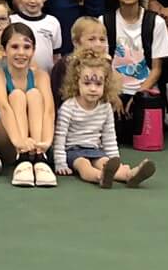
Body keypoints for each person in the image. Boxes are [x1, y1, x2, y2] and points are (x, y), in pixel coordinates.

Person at [51, 46, 156, 187]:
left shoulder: (105, 106)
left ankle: (130, 175)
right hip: (73, 151)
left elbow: (109, 135)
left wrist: (115, 159)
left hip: (95, 149)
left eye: (98, 84)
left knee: (103, 162)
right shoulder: (69, 107)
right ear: (77, 83)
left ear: (105, 85)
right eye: (87, 83)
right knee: (84, 165)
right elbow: (60, 136)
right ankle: (100, 176)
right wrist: (60, 162)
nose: (93, 88)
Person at [0, 21, 56, 186]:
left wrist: (45, 143)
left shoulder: (41, 76)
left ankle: (40, 160)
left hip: (35, 140)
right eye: (15, 47)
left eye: (26, 47)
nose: (21, 53)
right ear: (4, 50)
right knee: (17, 95)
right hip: (8, 139)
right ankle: (23, 157)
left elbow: (49, 111)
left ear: (33, 50)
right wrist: (20, 142)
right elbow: (4, 108)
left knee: (34, 94)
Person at [101, 0, 168, 140]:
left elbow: (156, 69)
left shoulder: (156, 22)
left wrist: (139, 95)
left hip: (145, 90)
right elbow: (102, 66)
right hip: (113, 90)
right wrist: (112, 94)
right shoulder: (103, 21)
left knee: (144, 136)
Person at [11, 0, 64, 74]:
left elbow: (56, 56)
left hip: (46, 79)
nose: (32, 0)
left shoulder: (52, 22)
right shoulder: (11, 21)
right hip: (17, 78)